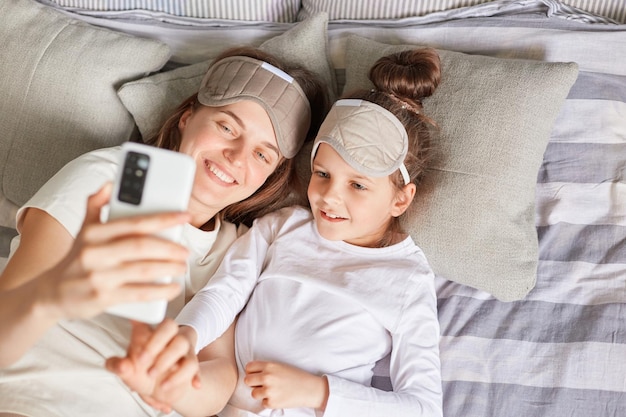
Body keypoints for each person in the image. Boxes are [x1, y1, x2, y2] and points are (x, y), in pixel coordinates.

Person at [110, 48, 443, 417]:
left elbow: (423, 407)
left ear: (401, 199)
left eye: (358, 186)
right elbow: (225, 292)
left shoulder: (407, 279)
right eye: (322, 174)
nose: (329, 197)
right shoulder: (282, 227)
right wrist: (188, 335)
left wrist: (318, 392)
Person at [0, 46, 329, 417]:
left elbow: (218, 375)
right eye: (226, 127)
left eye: (262, 155)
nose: (236, 156)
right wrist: (51, 296)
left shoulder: (239, 246)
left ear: (271, 177)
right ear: (188, 118)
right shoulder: (106, 180)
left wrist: (175, 386)